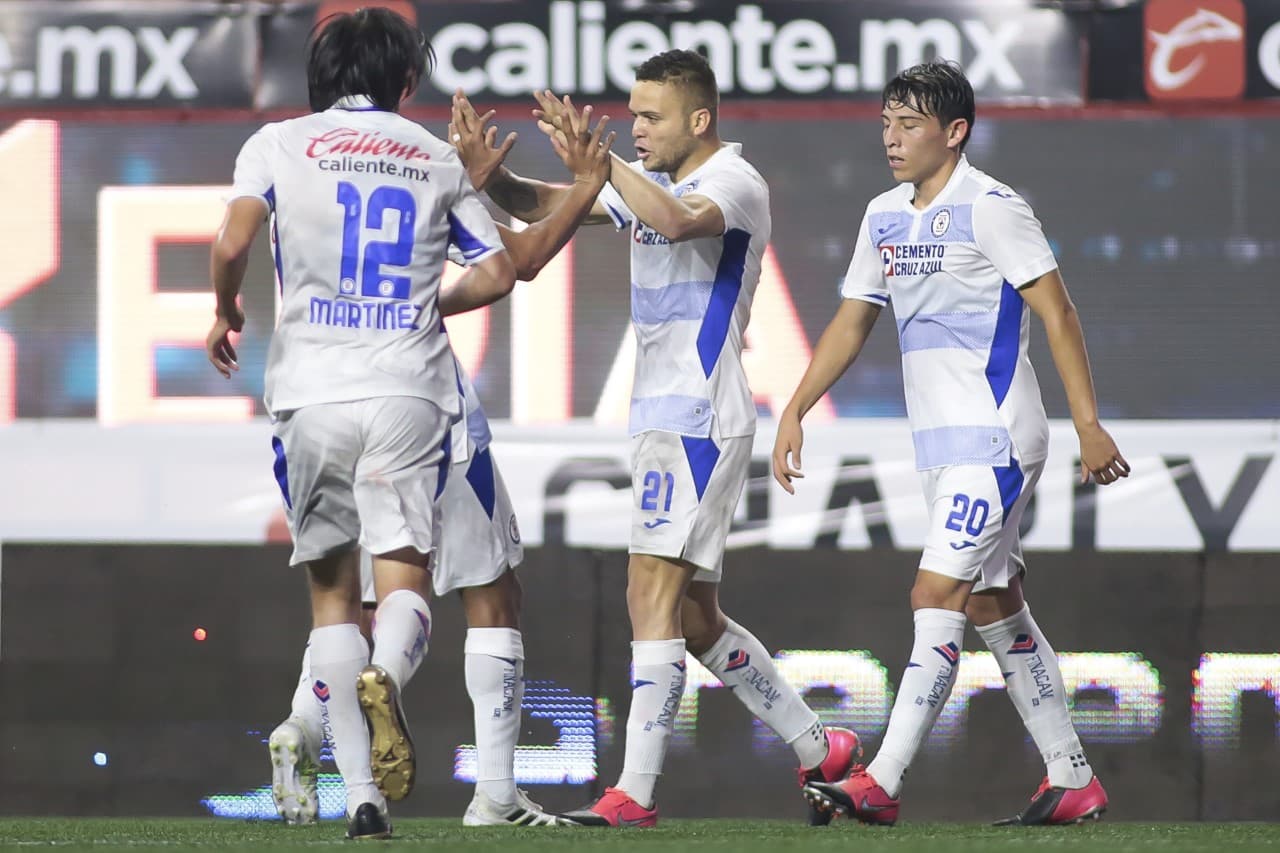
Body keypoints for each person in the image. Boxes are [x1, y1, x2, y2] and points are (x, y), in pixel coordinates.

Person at [468, 48, 859, 828]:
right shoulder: (656, 183)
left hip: (699, 417)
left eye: (651, 116)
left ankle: (635, 794)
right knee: (695, 617)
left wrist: (600, 161)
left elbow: (676, 221)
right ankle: (823, 748)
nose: (637, 127)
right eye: (632, 114)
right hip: (660, 416)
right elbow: (551, 204)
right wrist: (490, 177)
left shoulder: (732, 182)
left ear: (700, 120)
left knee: (648, 591)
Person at [774, 61, 1129, 827]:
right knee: (997, 604)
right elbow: (851, 319)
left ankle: (883, 780)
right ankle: (1072, 776)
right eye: (885, 123)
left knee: (935, 595)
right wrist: (797, 404)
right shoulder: (882, 216)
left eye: (908, 124)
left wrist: (1088, 423)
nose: (892, 138)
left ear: (954, 131)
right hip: (940, 445)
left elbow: (1060, 314)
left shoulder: (993, 207)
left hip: (995, 437)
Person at [206, 8, 517, 839]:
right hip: (406, 389)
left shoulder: (276, 142)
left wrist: (225, 308)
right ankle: (388, 672)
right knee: (403, 581)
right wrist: (420, 303)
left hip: (308, 393)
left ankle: (366, 802)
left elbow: (234, 237)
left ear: (319, 73)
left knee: (332, 598)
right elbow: (496, 274)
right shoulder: (435, 155)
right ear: (403, 80)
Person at [266, 98, 616, 828]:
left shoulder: (301, 173)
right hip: (428, 412)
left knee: (357, 607)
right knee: (491, 591)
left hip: (326, 408)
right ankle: (494, 792)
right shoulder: (415, 167)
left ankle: (300, 729)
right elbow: (510, 264)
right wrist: (584, 187)